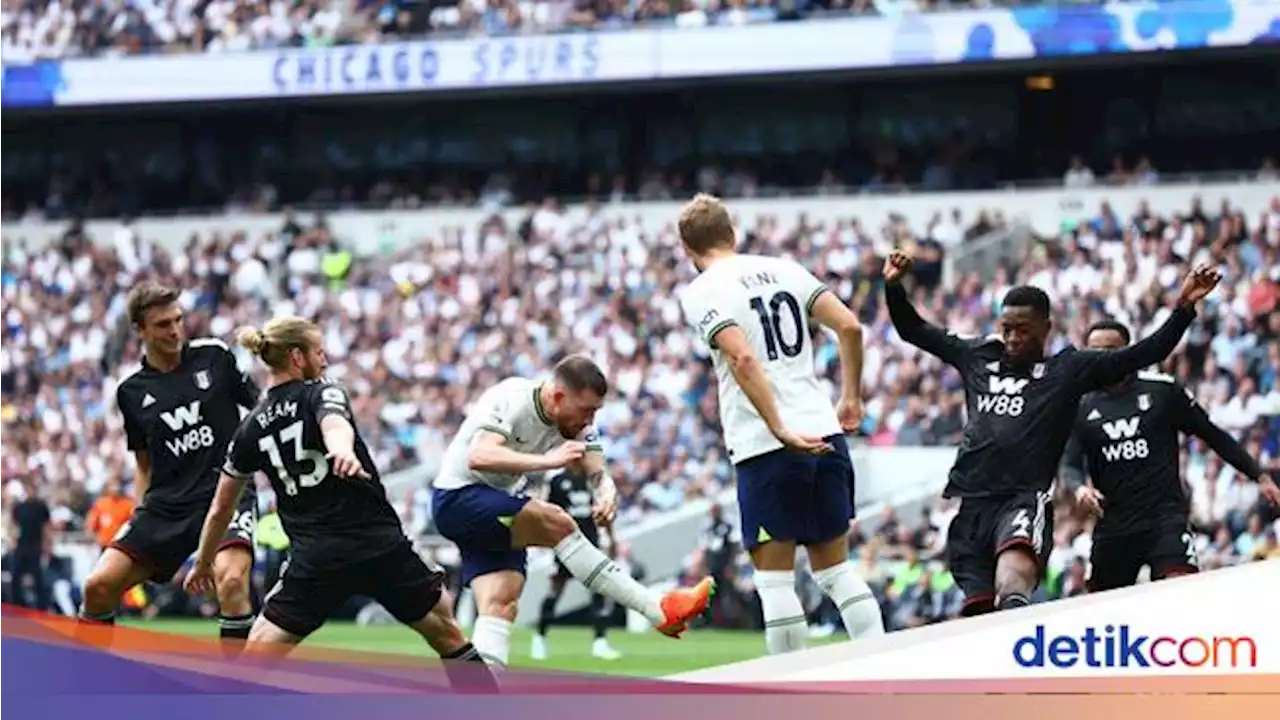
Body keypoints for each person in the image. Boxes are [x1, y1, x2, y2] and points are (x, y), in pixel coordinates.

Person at [882, 250, 1220, 615]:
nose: (1011, 338)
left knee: (1011, 582)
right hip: (972, 502)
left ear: (1046, 327)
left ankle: (1018, 613)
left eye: (1022, 329)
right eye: (1006, 328)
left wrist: (1184, 308)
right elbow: (913, 329)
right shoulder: (978, 354)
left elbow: (1142, 353)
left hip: (1023, 498)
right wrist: (893, 287)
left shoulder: (1067, 370)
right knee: (977, 610)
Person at [183, 317, 496, 692]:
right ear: (297, 357)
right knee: (448, 636)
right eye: (319, 351)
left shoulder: (250, 427)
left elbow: (221, 508)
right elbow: (334, 425)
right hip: (377, 546)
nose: (326, 359)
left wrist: (202, 563)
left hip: (317, 560)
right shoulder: (322, 392)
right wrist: (341, 451)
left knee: (253, 658)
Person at [674, 193, 884, 656]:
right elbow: (849, 326)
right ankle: (885, 677)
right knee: (835, 572)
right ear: (732, 234)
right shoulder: (786, 269)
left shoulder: (703, 289)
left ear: (688, 250)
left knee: (774, 582)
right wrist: (851, 397)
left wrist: (778, 427)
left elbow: (742, 356)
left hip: (767, 444)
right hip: (825, 431)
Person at [431, 355, 715, 670]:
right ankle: (659, 609)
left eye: (595, 411)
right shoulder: (512, 397)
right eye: (586, 411)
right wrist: (548, 461)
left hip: (496, 504)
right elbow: (480, 455)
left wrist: (605, 489)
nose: (589, 421)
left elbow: (594, 463)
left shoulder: (573, 421)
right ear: (557, 396)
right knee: (558, 523)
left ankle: (480, 699)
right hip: (458, 498)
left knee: (501, 603)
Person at [79, 282, 261, 654]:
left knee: (230, 581)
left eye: (178, 320)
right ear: (139, 330)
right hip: (167, 506)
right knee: (97, 586)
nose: (176, 330)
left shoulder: (214, 356)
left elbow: (262, 410)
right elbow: (143, 463)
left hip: (224, 495)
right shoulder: (130, 391)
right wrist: (140, 513)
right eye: (163, 324)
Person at [1060, 319, 1280, 591]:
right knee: (1103, 614)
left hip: (1164, 520)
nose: (1102, 359)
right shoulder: (1078, 404)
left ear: (1128, 352)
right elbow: (1069, 463)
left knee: (1180, 596)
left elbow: (1212, 435)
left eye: (1110, 350)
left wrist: (1258, 475)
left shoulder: (1162, 390)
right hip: (1114, 526)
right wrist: (1079, 487)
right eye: (1094, 351)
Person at [530, 467, 622, 662]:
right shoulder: (557, 481)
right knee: (555, 591)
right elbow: (546, 513)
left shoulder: (593, 480)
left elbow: (604, 511)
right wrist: (547, 545)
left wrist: (612, 539)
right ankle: (540, 637)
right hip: (565, 544)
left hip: (590, 543)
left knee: (598, 590)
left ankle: (600, 641)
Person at [10, 474, 52, 611]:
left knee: (38, 578)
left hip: (35, 544)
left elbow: (46, 527)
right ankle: (17, 606)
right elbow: (14, 525)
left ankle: (41, 607)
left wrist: (47, 545)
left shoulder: (41, 507)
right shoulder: (19, 506)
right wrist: (13, 540)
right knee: (16, 576)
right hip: (21, 545)